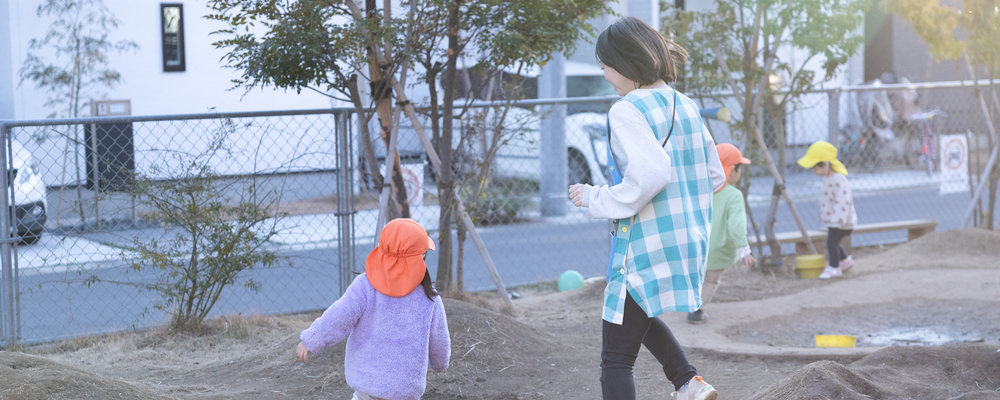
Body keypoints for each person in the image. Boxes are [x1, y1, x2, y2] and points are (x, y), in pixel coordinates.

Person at [568, 16, 726, 400]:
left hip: (642, 245)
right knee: (637, 316)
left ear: (625, 61)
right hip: (684, 239)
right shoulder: (685, 103)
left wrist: (594, 197)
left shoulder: (626, 110)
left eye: (605, 65)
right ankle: (688, 383)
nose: (604, 74)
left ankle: (688, 383)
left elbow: (650, 176)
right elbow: (714, 174)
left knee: (616, 358)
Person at [295, 218, 451, 400]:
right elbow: (439, 340)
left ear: (381, 252)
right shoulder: (430, 298)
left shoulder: (364, 286)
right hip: (404, 391)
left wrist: (313, 339)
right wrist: (439, 364)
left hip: (366, 388)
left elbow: (339, 316)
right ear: (421, 258)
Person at [688, 143, 756, 324]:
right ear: (732, 171)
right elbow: (736, 225)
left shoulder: (699, 190)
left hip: (695, 245)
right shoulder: (734, 195)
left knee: (697, 278)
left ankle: (690, 303)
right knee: (711, 280)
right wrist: (743, 247)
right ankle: (697, 311)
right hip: (717, 249)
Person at [797, 141, 857, 279]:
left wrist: (838, 220)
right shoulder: (828, 179)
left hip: (841, 221)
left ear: (825, 164)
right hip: (834, 220)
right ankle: (845, 261)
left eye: (815, 167)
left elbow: (843, 201)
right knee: (833, 242)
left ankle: (834, 268)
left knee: (831, 243)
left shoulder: (839, 180)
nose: (814, 171)